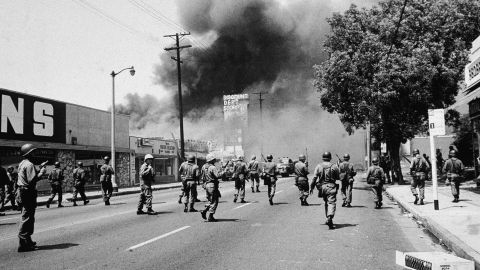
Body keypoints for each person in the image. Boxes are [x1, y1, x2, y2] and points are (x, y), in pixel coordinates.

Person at [17, 144, 47, 252]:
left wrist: (38, 169)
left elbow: (28, 177)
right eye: (33, 152)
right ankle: (23, 243)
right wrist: (42, 173)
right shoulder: (29, 165)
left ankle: (27, 239)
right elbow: (32, 180)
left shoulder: (23, 163)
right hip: (28, 192)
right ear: (28, 153)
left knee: (28, 216)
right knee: (27, 217)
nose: (35, 154)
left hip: (23, 192)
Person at [310, 152, 340, 229]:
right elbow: (338, 177)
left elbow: (314, 178)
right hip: (331, 187)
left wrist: (311, 187)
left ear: (323, 158)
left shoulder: (318, 166)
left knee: (326, 202)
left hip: (322, 187)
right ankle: (330, 217)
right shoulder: (334, 166)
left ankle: (328, 218)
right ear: (330, 158)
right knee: (331, 202)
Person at [200, 154, 223, 222]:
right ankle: (210, 216)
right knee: (215, 201)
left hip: (207, 185)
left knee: (211, 200)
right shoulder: (213, 167)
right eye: (213, 160)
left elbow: (202, 176)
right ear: (212, 160)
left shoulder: (203, 167)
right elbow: (217, 175)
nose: (214, 161)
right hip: (212, 185)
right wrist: (223, 172)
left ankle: (205, 211)